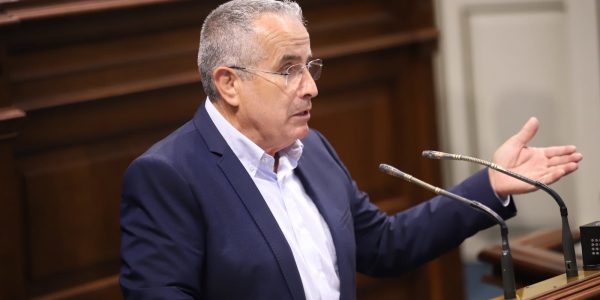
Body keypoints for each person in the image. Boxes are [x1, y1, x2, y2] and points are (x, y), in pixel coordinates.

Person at [119, 1, 583, 299]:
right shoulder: (169, 176)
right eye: (288, 71)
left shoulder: (311, 148)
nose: (310, 88)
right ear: (229, 83)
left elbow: (384, 246)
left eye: (310, 66)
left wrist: (490, 186)